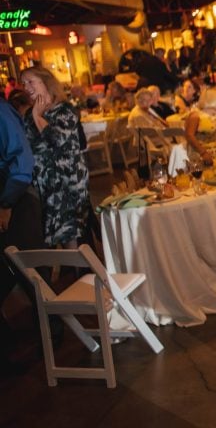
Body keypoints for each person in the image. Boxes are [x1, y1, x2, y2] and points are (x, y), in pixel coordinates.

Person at [0, 95, 46, 375]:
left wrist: (6, 205)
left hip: (13, 200)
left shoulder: (2, 113)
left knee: (31, 274)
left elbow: (22, 161)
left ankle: (51, 335)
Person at [20, 66, 90, 249]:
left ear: (45, 82)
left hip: (67, 182)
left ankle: (82, 274)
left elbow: (56, 139)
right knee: (51, 236)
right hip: (44, 184)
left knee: (69, 235)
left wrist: (37, 115)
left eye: (30, 82)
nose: (26, 87)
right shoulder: (29, 113)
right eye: (23, 83)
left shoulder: (65, 110)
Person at [184, 88, 216, 162]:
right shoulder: (196, 116)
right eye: (215, 108)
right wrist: (203, 153)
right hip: (201, 154)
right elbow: (189, 136)